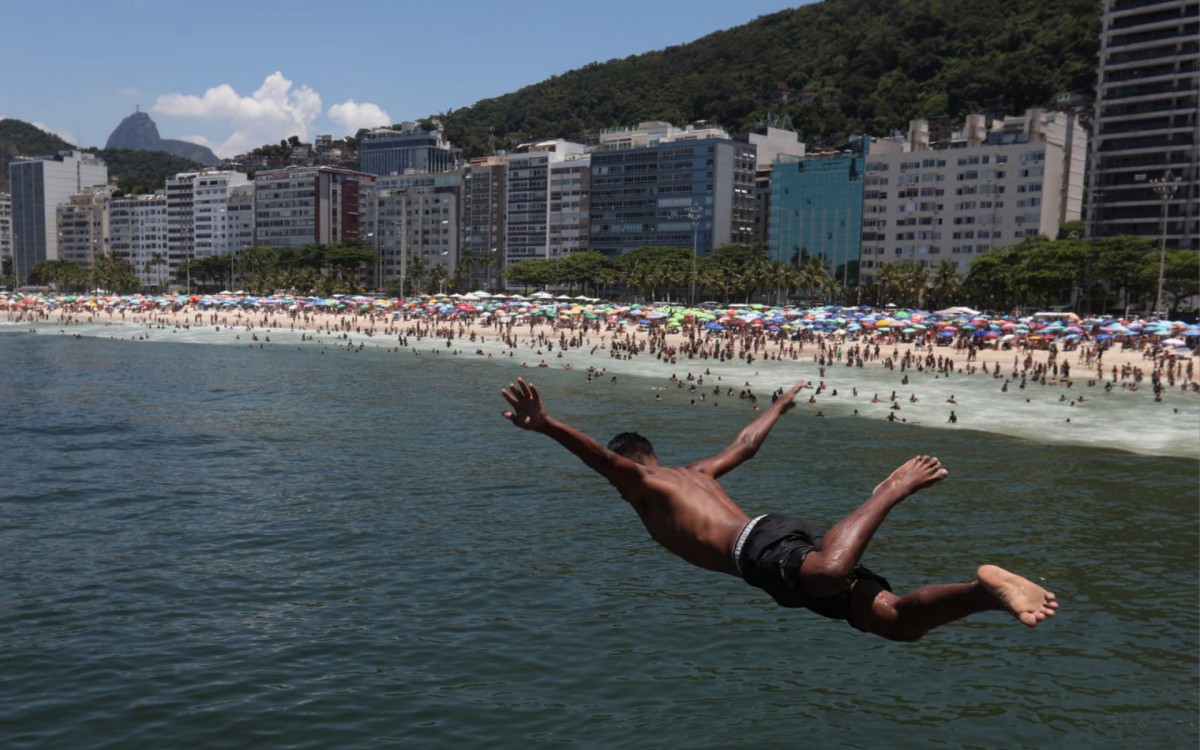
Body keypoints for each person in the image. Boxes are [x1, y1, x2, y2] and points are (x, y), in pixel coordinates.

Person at [500, 377, 1058, 641]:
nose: (618, 488)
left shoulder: (643, 486)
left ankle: (890, 489)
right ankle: (985, 593)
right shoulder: (695, 473)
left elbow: (600, 459)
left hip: (757, 549)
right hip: (773, 540)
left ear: (632, 467)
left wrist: (547, 425)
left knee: (829, 574)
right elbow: (745, 445)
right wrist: (778, 406)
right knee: (893, 620)